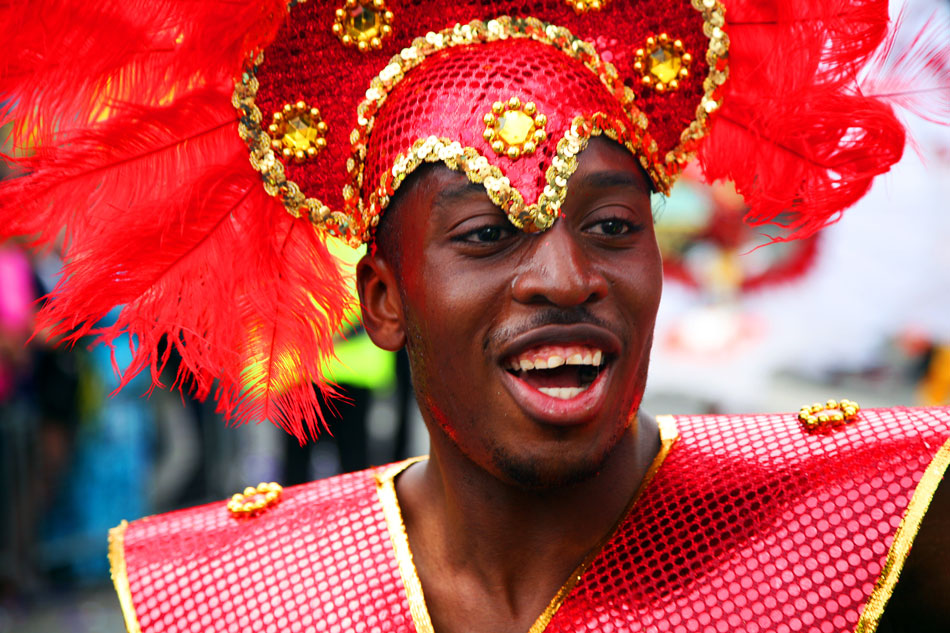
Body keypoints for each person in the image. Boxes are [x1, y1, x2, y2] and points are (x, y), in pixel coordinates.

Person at [1, 1, 948, 631]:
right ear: (384, 299)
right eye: (490, 235)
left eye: (613, 224)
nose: (566, 276)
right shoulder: (228, 597)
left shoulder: (875, 527)